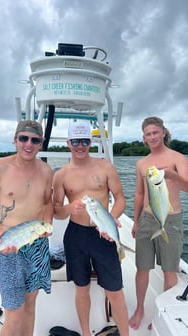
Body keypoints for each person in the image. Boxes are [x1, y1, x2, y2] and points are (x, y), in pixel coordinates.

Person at [0, 120, 53, 336]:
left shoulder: (46, 170)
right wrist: (1, 231)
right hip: (8, 248)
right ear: (15, 140)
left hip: (37, 247)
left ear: (40, 144)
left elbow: (47, 202)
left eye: (35, 140)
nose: (29, 144)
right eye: (23, 138)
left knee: (30, 306)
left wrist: (48, 224)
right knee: (14, 314)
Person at [52, 121, 130, 336]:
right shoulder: (61, 175)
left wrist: (111, 219)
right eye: (75, 141)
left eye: (84, 141)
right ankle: (86, 332)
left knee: (115, 291)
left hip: (103, 234)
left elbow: (121, 199)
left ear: (90, 142)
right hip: (75, 236)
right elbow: (57, 210)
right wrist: (69, 207)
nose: (80, 146)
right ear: (68, 143)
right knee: (81, 288)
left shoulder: (105, 167)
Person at [129, 116, 188, 330]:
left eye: (155, 132)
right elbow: (139, 194)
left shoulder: (177, 157)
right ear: (143, 138)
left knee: (169, 270)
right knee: (142, 268)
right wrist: (136, 221)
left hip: (171, 219)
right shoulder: (141, 163)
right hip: (147, 219)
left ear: (164, 132)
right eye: (148, 134)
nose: (152, 137)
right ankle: (140, 308)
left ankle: (162, 313)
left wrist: (172, 174)